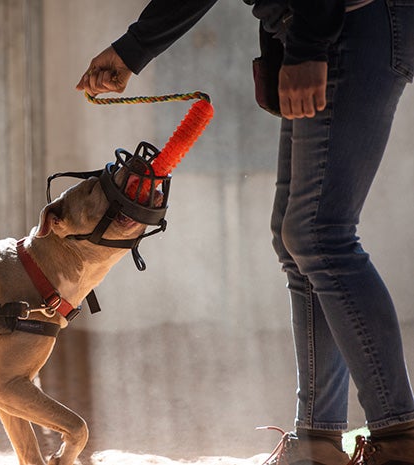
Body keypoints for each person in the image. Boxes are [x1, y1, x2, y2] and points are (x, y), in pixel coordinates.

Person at [76, 1, 414, 465]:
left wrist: (309, 47)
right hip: (324, 29)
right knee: (297, 239)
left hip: (346, 22)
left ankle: (400, 437)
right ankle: (318, 442)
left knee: (319, 232)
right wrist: (131, 51)